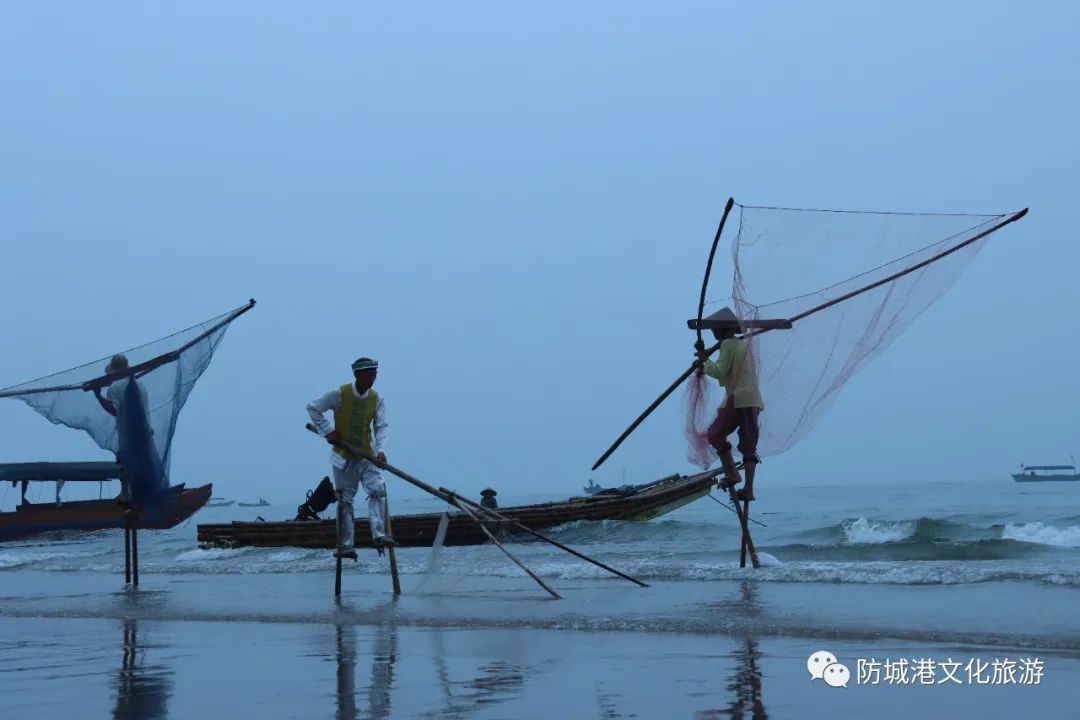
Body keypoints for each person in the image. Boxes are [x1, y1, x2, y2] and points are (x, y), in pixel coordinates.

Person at [306, 357, 392, 560]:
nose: (372, 379)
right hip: (343, 456)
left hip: (366, 455)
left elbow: (380, 427)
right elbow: (313, 408)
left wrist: (381, 450)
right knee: (345, 499)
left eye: (375, 375)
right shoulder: (339, 394)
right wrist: (328, 431)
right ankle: (345, 546)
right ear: (358, 375)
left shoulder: (376, 399)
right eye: (369, 375)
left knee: (378, 490)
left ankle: (380, 535)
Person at [695, 308, 764, 501]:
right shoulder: (741, 344)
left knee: (715, 434)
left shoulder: (727, 344)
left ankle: (732, 474)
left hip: (739, 398)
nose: (713, 333)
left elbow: (720, 371)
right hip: (753, 400)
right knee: (749, 446)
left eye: (714, 329)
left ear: (722, 329)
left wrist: (704, 359)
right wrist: (705, 356)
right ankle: (749, 490)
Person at [93, 353, 150, 504]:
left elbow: (114, 410)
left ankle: (125, 494)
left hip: (128, 433)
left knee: (124, 463)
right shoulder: (139, 383)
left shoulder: (116, 386)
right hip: (144, 431)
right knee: (142, 461)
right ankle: (142, 493)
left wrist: (98, 396)